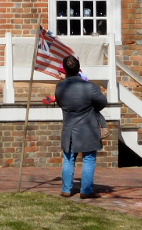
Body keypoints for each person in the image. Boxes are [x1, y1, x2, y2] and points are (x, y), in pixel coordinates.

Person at [55, 54, 108, 198]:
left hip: (69, 128)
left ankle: (66, 189)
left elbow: (60, 103)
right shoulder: (89, 87)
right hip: (88, 128)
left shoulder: (60, 87)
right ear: (79, 69)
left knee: (69, 159)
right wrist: (91, 106)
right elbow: (103, 102)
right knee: (89, 159)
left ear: (65, 70)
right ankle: (86, 190)